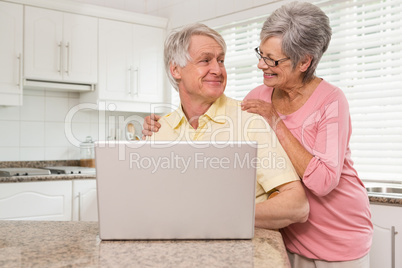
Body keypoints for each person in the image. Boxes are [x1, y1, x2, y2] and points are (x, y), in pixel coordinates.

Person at [143, 2, 373, 267]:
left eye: (272, 59)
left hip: (338, 230)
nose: (261, 66)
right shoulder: (257, 98)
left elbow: (321, 182)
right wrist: (164, 125)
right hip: (289, 237)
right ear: (175, 69)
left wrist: (275, 122)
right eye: (260, 54)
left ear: (305, 61)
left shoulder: (331, 101)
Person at [146, 22, 309, 230]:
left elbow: (297, 205)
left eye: (221, 60)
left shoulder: (250, 121)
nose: (217, 69)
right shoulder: (159, 130)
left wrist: (222, 216)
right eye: (205, 60)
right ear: (176, 69)